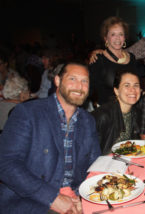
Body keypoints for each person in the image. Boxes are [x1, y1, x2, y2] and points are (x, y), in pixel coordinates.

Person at [0, 62, 101, 213]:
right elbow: (6, 164)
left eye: (84, 81)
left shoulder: (88, 121)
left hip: (75, 198)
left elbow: (94, 165)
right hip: (30, 201)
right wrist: (52, 198)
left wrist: (83, 197)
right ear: (58, 81)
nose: (79, 86)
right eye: (72, 79)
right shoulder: (28, 113)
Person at [89, 16, 137, 106]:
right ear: (106, 38)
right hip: (107, 113)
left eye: (121, 34)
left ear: (125, 37)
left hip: (130, 109)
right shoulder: (98, 59)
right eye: (113, 34)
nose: (117, 38)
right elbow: (88, 89)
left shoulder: (132, 58)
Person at [92, 69, 141, 155]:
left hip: (125, 160)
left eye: (136, 85)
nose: (132, 90)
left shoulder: (136, 112)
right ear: (116, 91)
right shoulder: (103, 116)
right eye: (127, 85)